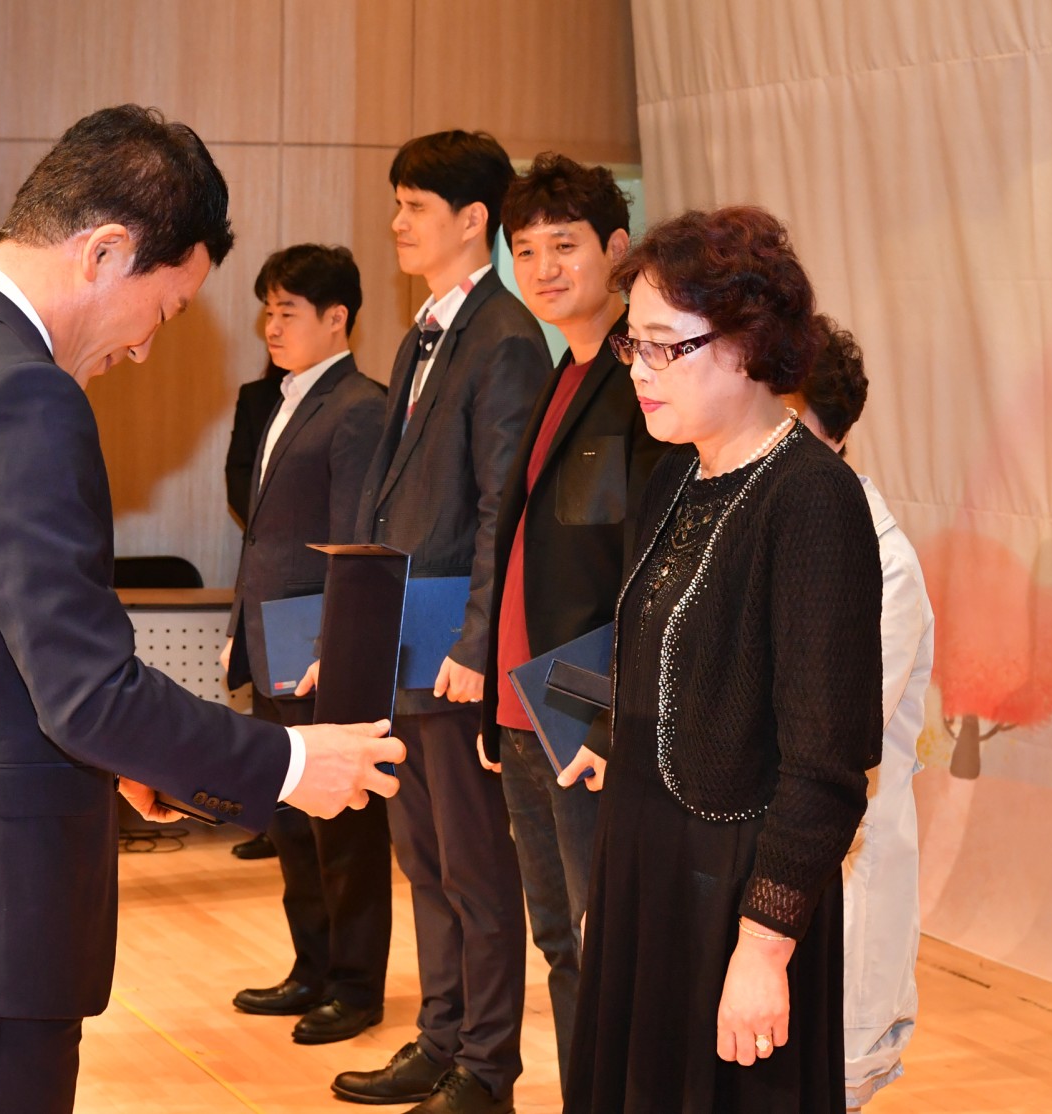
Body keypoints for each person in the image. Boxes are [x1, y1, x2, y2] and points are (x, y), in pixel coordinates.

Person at [0, 105, 405, 1114]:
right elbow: (87, 694)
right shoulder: (22, 397)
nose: (147, 348)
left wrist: (135, 757)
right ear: (104, 252)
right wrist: (292, 763)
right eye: (165, 309)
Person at [565, 206, 883, 1112]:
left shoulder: (812, 499)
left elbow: (827, 762)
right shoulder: (676, 473)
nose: (640, 370)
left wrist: (764, 947)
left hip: (736, 885)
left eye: (665, 346)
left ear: (747, 345)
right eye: (633, 344)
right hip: (647, 864)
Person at [323, 130, 549, 1114]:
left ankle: (486, 1068)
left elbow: (505, 508)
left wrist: (477, 642)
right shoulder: (425, 331)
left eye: (415, 205)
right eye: (398, 203)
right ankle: (440, 1038)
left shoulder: (505, 336)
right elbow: (389, 506)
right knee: (422, 858)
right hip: (403, 643)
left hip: (454, 649)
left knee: (476, 867)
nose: (396, 222)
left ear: (473, 219)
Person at [479, 153, 668, 1091]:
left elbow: (646, 574)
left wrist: (600, 713)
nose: (544, 268)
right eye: (525, 250)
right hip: (525, 709)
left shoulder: (643, 385)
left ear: (617, 250)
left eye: (565, 245)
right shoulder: (561, 373)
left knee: (610, 944)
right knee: (558, 940)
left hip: (585, 716)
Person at [220, 244, 393, 1045]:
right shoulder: (284, 399)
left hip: (318, 639)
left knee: (344, 826)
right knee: (288, 816)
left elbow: (354, 537)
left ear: (337, 318)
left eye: (287, 310)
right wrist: (238, 630)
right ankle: (311, 968)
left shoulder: (359, 406)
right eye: (268, 310)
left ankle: (355, 987)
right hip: (270, 633)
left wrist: (338, 641)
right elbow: (262, 537)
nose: (271, 325)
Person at [783, 320, 934, 1109]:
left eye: (784, 417)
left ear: (831, 433)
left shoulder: (886, 565)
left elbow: (835, 736)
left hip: (837, 874)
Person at [223, 363, 286, 861]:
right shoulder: (257, 396)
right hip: (267, 571)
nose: (274, 329)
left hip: (314, 585)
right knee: (271, 721)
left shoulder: (366, 398)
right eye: (268, 322)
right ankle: (274, 828)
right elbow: (238, 476)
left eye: (287, 320)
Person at [224, 361, 284, 531]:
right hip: (264, 536)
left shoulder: (347, 396)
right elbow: (239, 473)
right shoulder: (256, 397)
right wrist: (270, 526)